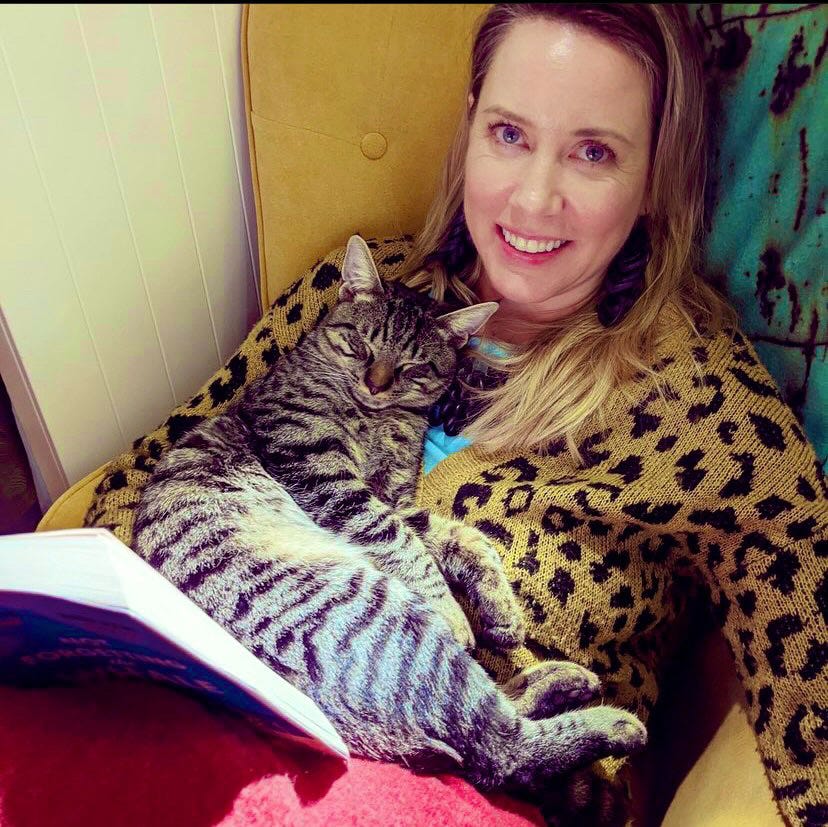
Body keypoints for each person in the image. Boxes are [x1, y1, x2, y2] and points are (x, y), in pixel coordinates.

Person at [87, 4, 825, 825]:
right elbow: (146, 472)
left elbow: (813, 661)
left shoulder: (701, 402)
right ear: (470, 131)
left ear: (654, 177)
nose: (534, 198)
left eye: (593, 151)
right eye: (510, 134)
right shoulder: (363, 282)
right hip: (213, 692)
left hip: (461, 782)